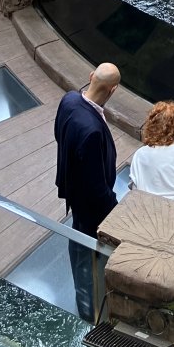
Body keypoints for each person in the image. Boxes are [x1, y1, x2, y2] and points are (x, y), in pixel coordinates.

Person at [54, 63, 120, 322]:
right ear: (113, 90)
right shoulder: (92, 131)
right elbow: (96, 187)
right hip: (89, 206)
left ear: (91, 77)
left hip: (74, 191)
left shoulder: (69, 99)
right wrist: (114, 209)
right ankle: (87, 311)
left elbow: (59, 133)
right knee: (85, 252)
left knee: (79, 237)